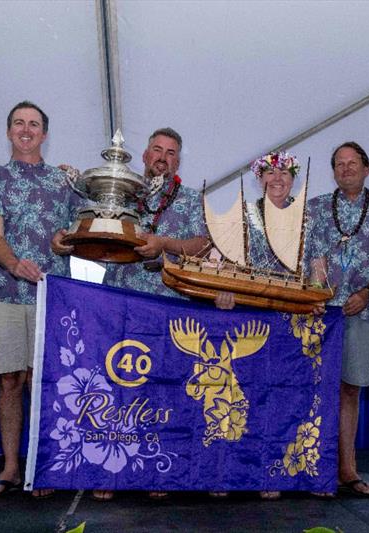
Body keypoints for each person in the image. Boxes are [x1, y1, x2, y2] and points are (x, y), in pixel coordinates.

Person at [96, 127, 209, 501]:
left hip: (169, 305)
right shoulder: (121, 188)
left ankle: (156, 470)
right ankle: (110, 471)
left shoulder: (193, 199)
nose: (162, 156)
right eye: (156, 149)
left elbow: (203, 244)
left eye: (171, 152)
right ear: (144, 156)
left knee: (163, 389)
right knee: (116, 384)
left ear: (178, 161)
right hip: (120, 299)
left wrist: (165, 244)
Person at [0, 101, 81, 499]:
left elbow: (79, 233)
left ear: (44, 134)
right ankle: (10, 466)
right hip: (3, 292)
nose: (26, 129)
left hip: (52, 292)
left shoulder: (65, 183)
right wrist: (14, 264)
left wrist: (65, 241)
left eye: (34, 124)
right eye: (19, 123)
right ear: (8, 132)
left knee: (44, 382)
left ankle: (43, 464)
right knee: (9, 381)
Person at [305, 142, 369, 498]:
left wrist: (367, 293)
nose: (346, 169)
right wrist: (317, 295)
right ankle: (311, 468)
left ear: (367, 168)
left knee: (350, 390)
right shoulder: (314, 208)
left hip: (363, 312)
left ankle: (347, 469)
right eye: (339, 164)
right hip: (317, 315)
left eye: (353, 163)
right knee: (315, 390)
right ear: (333, 171)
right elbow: (308, 259)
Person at [213, 150, 308, 500]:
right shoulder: (241, 215)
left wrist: (318, 292)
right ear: (259, 179)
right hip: (244, 320)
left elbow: (318, 266)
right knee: (235, 395)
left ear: (293, 179)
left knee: (278, 398)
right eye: (270, 174)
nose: (278, 179)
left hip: (287, 323)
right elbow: (220, 260)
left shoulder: (307, 218)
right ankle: (225, 471)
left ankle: (270, 471)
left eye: (284, 173)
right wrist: (222, 290)